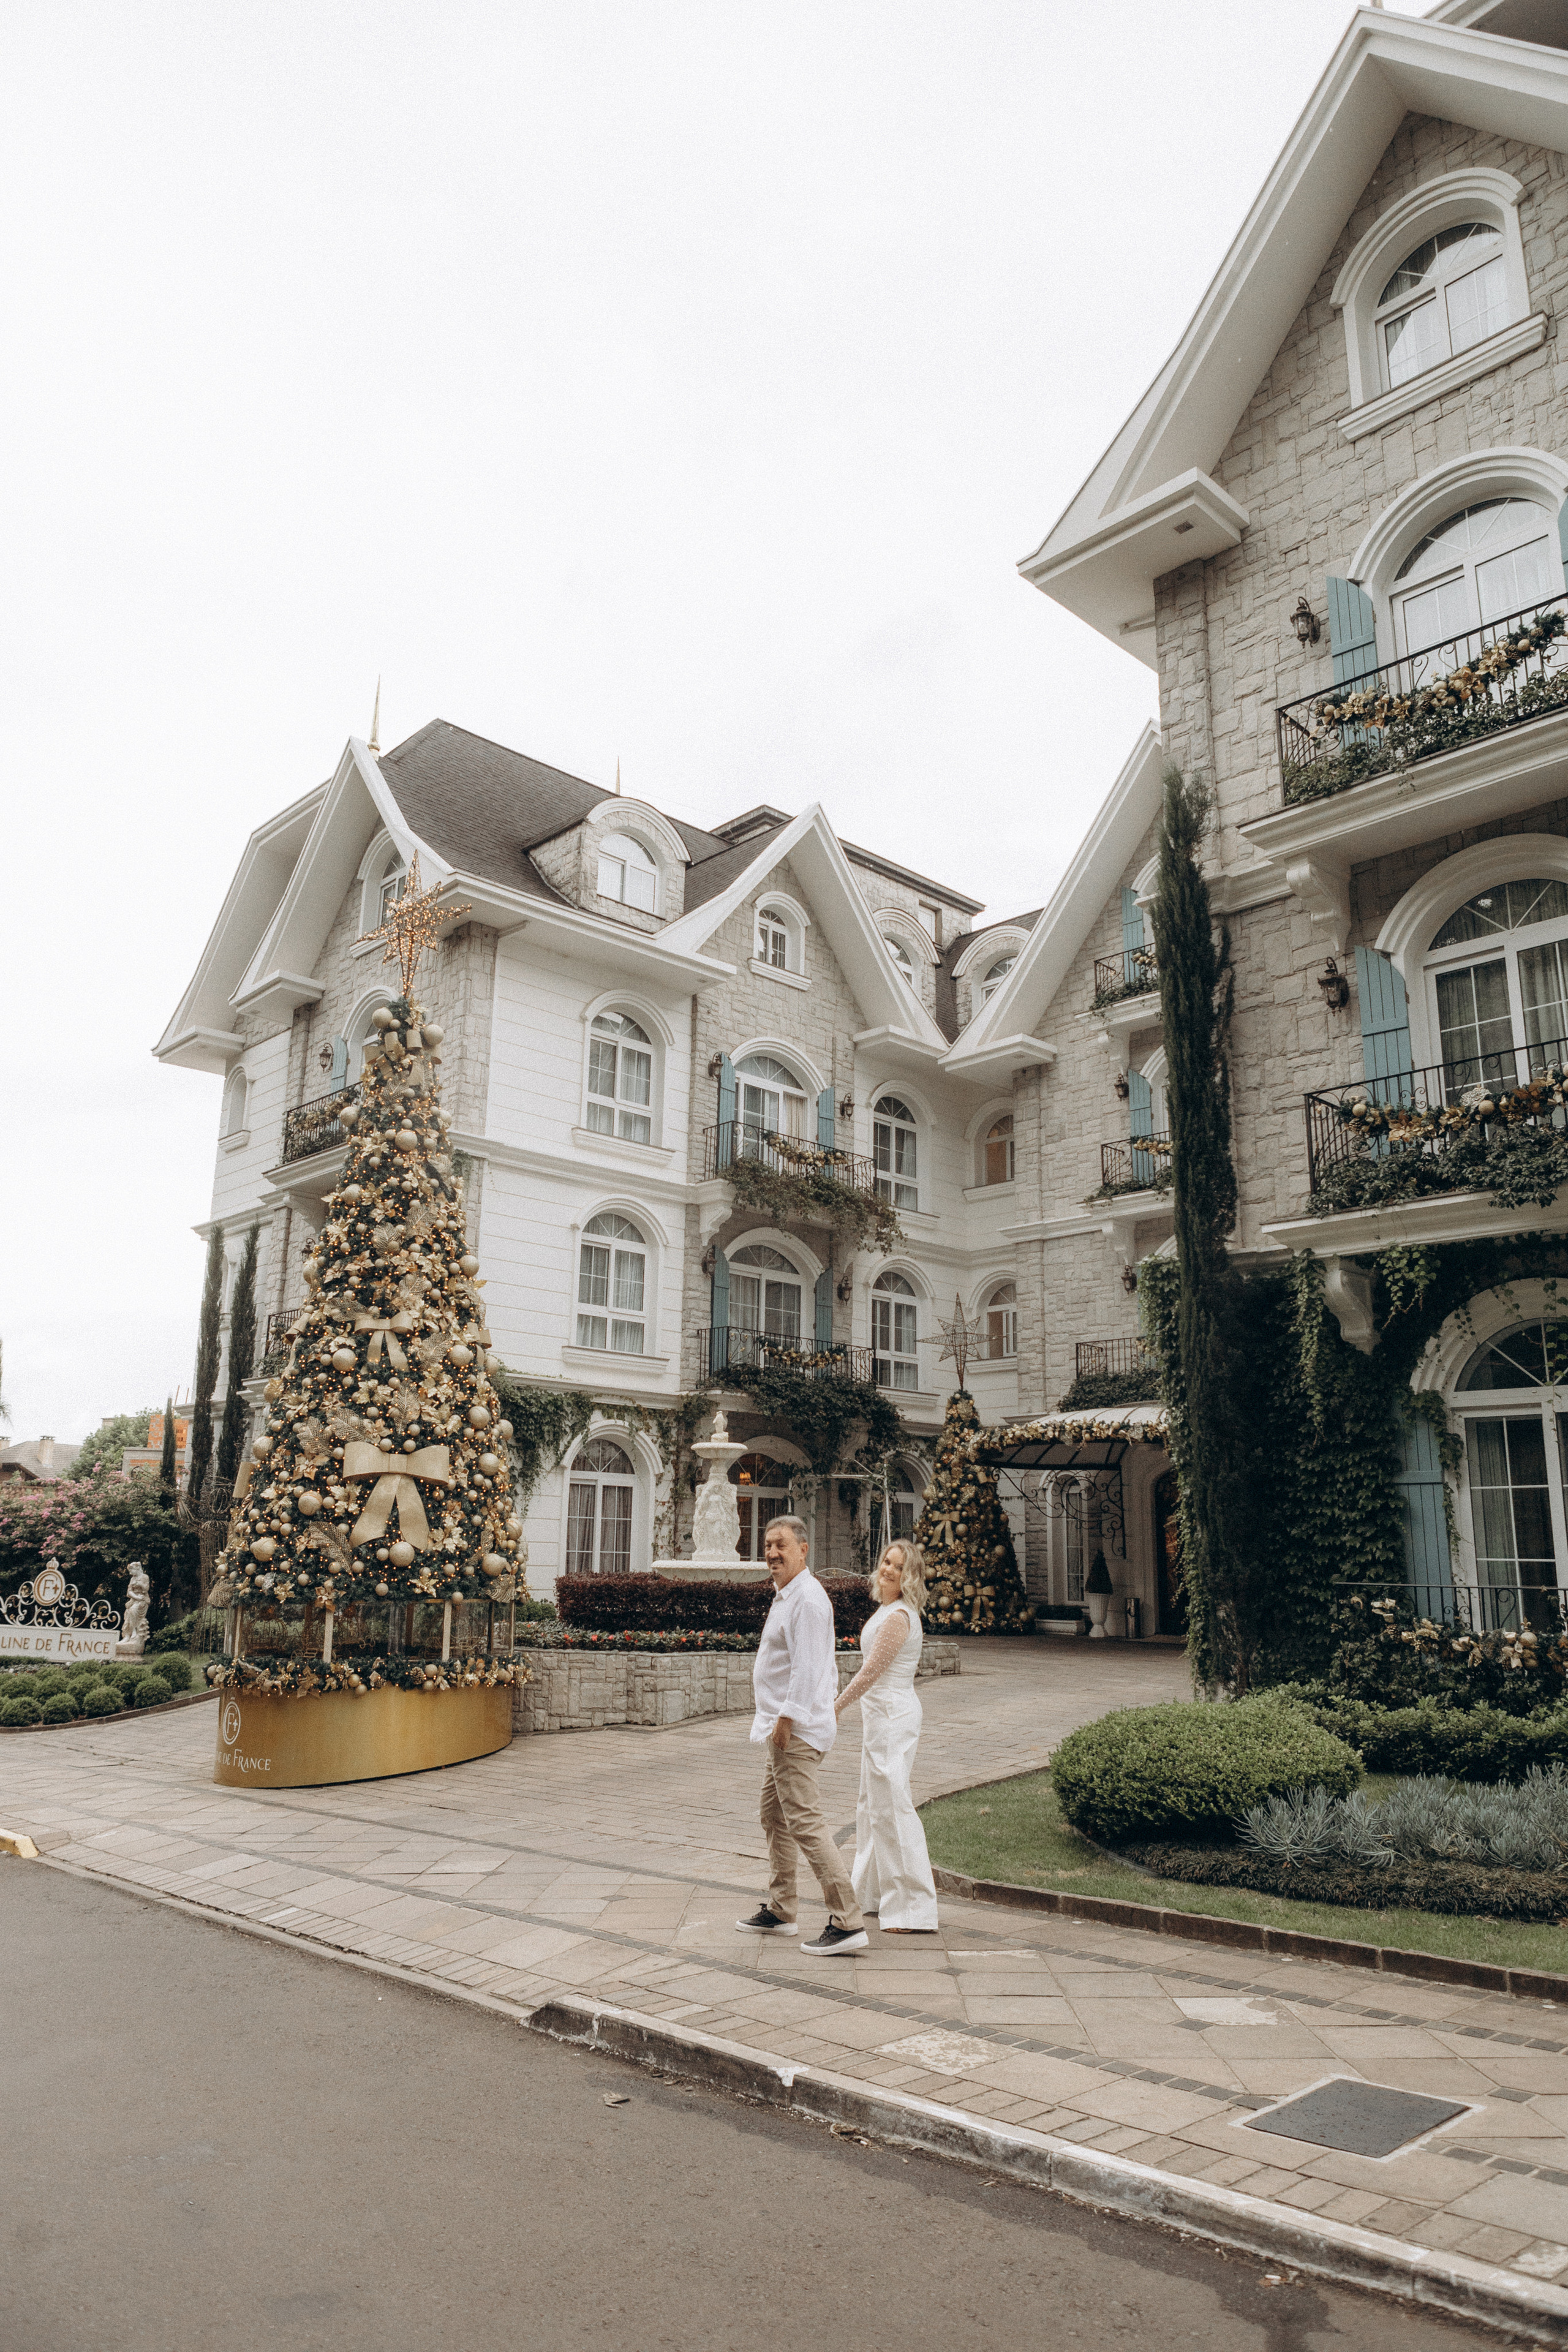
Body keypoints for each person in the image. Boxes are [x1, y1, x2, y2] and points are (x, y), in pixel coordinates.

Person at [736, 1515, 869, 1956]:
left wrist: (786, 1719)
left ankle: (847, 1920)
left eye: (781, 1545)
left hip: (796, 1731)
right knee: (773, 1816)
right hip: (784, 1728)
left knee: (805, 1821)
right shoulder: (787, 1595)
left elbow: (808, 1670)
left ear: (803, 1549)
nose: (772, 1553)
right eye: (768, 1544)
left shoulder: (808, 1600)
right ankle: (781, 1908)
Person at [835, 1539, 938, 1934]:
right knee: (872, 1806)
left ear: (909, 1576)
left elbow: (869, 1674)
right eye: (885, 1562)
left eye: (897, 1566)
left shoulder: (899, 1617)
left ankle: (913, 1907)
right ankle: (872, 1894)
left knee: (894, 1808)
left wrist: (835, 1706)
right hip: (879, 1718)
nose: (887, 1570)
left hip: (894, 1717)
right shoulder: (888, 1609)